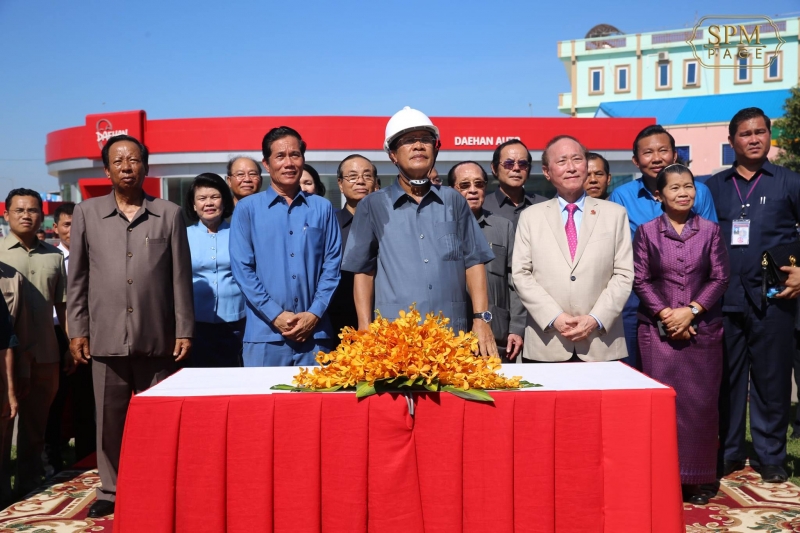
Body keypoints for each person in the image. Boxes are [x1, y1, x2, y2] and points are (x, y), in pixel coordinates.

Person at [68, 134, 193, 517]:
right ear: (106, 170)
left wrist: (184, 329)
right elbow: (78, 278)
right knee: (108, 418)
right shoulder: (87, 213)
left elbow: (180, 278)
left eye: (134, 160)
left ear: (146, 166)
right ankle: (111, 488)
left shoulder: (169, 213)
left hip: (157, 336)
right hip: (105, 335)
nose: (127, 167)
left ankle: (154, 482)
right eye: (118, 161)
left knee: (156, 418)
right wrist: (76, 329)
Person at [342, 107, 497, 356]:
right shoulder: (372, 205)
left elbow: (474, 262)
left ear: (436, 148)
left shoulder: (454, 201)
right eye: (407, 141)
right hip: (394, 337)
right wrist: (364, 328)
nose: (418, 146)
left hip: (451, 335)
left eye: (425, 139)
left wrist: (481, 318)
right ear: (392, 155)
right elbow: (363, 270)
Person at [706, 107, 800, 483]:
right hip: (725, 298)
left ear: (769, 136)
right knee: (727, 379)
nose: (755, 139)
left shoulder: (789, 182)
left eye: (761, 132)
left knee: (771, 379)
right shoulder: (713, 186)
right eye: (746, 134)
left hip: (773, 297)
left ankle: (770, 455)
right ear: (732, 142)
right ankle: (728, 452)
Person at [633, 164, 729, 504]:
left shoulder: (710, 231)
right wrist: (666, 314)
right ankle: (663, 476)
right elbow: (640, 279)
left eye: (689, 186)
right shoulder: (646, 232)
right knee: (663, 406)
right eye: (674, 188)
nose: (684, 193)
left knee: (701, 406)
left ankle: (698, 479)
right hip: (658, 335)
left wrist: (691, 311)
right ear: (659, 195)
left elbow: (720, 278)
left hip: (702, 331)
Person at [512, 135, 633, 362]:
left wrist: (596, 318)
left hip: (601, 343)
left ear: (586, 166)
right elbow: (520, 275)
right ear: (547, 172)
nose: (571, 168)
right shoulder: (530, 217)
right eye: (562, 161)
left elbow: (624, 274)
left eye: (577, 159)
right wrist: (554, 317)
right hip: (547, 341)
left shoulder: (615, 214)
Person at [230, 126, 341, 367]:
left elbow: (332, 266)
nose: (289, 163)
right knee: (262, 404)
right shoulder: (247, 209)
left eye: (295, 155)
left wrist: (314, 314)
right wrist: (275, 315)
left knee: (318, 405)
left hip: (315, 335)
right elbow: (243, 269)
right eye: (280, 156)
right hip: (264, 336)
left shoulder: (322, 208)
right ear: (267, 164)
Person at [609, 125, 718, 370]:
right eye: (648, 152)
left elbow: (712, 250)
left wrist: (689, 311)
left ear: (675, 154)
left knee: (692, 377)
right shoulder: (622, 196)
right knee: (639, 374)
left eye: (663, 150)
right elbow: (617, 253)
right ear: (636, 161)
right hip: (638, 301)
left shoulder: (698, 192)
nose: (656, 158)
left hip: (691, 302)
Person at [0, 188, 67, 497]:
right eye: (19, 210)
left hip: (45, 354)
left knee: (35, 429)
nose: (26, 215)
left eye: (33, 210)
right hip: (7, 358)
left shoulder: (54, 255)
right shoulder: (0, 255)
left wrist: (68, 346)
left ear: (43, 216)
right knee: (3, 429)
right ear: (7, 215)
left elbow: (64, 306)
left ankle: (28, 487)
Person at [448, 161, 524, 362]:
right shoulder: (439, 229)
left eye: (479, 184)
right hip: (450, 338)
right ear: (451, 191)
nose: (473, 190)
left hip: (495, 336)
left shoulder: (502, 227)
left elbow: (516, 282)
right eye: (464, 185)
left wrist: (516, 327)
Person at [44, 202, 96, 475]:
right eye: (67, 225)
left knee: (86, 403)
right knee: (55, 402)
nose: (73, 230)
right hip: (58, 337)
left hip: (94, 336)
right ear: (56, 228)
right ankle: (52, 463)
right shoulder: (50, 260)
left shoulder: (95, 256)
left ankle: (87, 460)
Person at [184, 173, 245, 367]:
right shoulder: (183, 236)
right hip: (196, 323)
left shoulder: (239, 233)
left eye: (214, 197)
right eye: (202, 198)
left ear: (224, 202)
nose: (208, 203)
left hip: (237, 321)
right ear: (194, 205)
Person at [328, 155, 378, 334]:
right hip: (337, 321)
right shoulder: (329, 225)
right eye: (353, 176)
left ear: (376, 183)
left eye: (367, 176)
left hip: (382, 319)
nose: (361, 181)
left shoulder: (389, 224)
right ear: (340, 184)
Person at [482, 139, 547, 228]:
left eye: (522, 163)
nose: (516, 168)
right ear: (494, 168)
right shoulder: (482, 207)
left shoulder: (544, 206)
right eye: (509, 163)